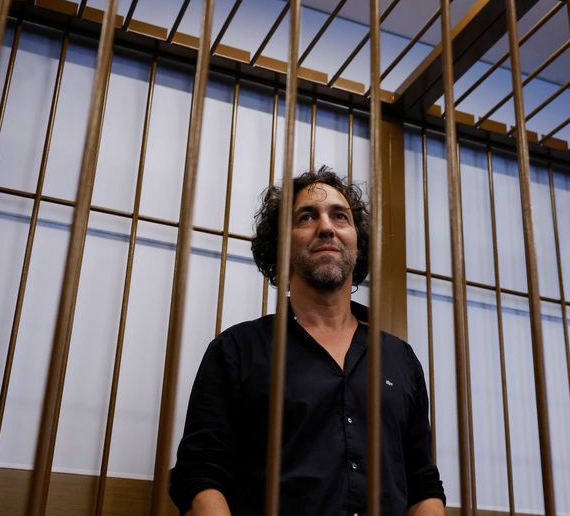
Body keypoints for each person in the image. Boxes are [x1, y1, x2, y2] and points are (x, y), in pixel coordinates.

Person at [169, 167, 446, 515]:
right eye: (307, 217)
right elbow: (200, 473)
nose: (327, 226)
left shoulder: (400, 358)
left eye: (340, 216)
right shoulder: (237, 350)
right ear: (282, 247)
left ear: (357, 248)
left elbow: (423, 484)